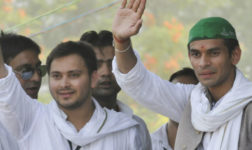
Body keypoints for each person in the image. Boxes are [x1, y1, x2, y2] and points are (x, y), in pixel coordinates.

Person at [0, 0, 145, 149]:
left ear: (93, 77)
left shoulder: (125, 131)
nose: (64, 83)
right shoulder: (32, 118)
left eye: (74, 75)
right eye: (56, 76)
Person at [111, 0, 252, 149]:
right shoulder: (192, 102)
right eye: (196, 54)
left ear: (235, 55)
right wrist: (121, 42)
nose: (203, 63)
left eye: (214, 53)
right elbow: (139, 83)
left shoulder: (248, 105)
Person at [0, 32, 45, 150]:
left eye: (40, 69)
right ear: (2, 74)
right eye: (26, 71)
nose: (36, 78)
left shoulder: (46, 114)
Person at [80, 30, 151, 149]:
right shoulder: (66, 124)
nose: (106, 72)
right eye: (97, 65)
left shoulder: (137, 125)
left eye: (113, 64)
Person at [150, 68, 198, 150]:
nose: (181, 102)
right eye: (175, 96)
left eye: (189, 96)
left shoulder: (211, 142)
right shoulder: (149, 143)